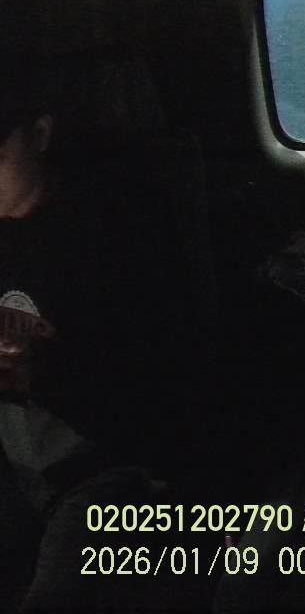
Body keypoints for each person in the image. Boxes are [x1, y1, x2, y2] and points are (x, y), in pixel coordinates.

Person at [0, 54, 191, 612]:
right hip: (15, 461)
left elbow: (155, 377)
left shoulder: (111, 230)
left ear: (39, 135)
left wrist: (38, 367)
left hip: (101, 467)